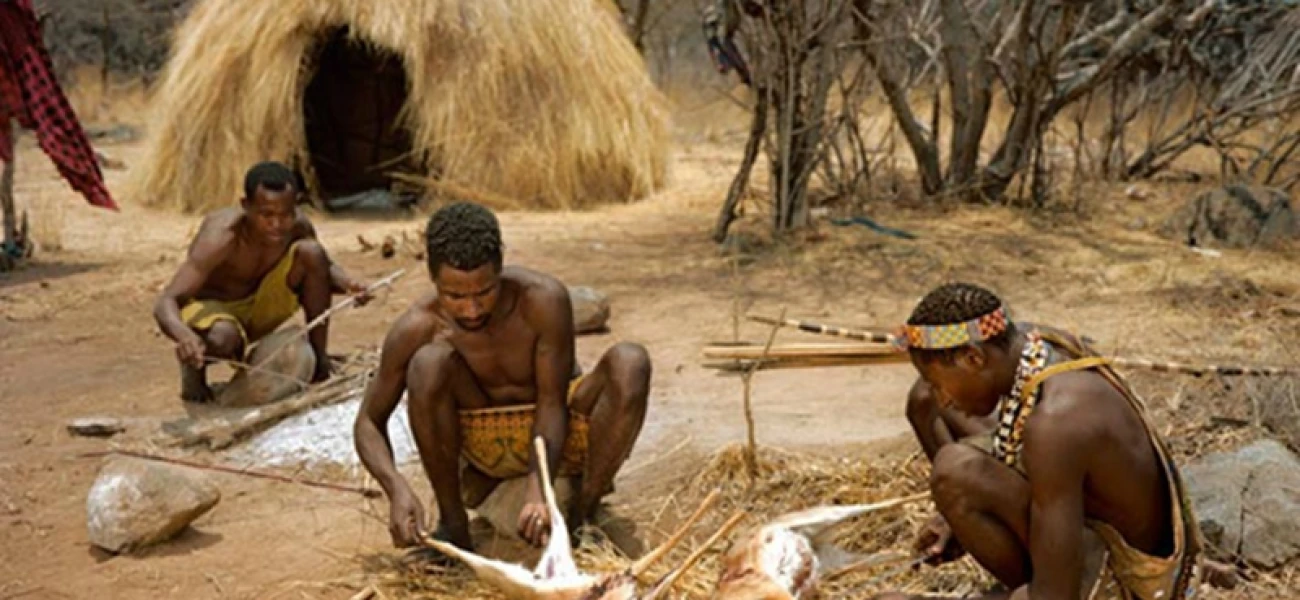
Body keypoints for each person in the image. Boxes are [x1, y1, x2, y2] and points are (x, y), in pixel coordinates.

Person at [353, 201, 651, 553]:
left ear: (500, 269)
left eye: (484, 292)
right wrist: (397, 489)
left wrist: (539, 485)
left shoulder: (542, 301)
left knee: (630, 362)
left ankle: (581, 520)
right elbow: (369, 421)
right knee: (428, 364)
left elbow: (553, 401)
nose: (472, 309)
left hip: (557, 433)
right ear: (433, 278)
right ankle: (453, 526)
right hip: (484, 451)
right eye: (454, 296)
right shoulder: (417, 326)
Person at [874, 282, 1202, 600]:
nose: (942, 398)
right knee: (924, 404)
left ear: (974, 359)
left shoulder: (1056, 423)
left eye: (938, 383)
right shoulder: (1037, 344)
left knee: (952, 473)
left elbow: (1055, 596)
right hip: (1081, 536)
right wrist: (955, 518)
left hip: (1120, 581)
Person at [153, 161, 371, 403]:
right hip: (214, 311)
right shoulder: (222, 236)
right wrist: (184, 336)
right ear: (246, 206)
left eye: (285, 215)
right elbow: (167, 301)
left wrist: (349, 284)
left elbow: (323, 269)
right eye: (266, 215)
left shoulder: (298, 227)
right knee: (222, 338)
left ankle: (320, 360)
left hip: (261, 304)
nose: (277, 225)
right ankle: (195, 365)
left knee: (312, 252)